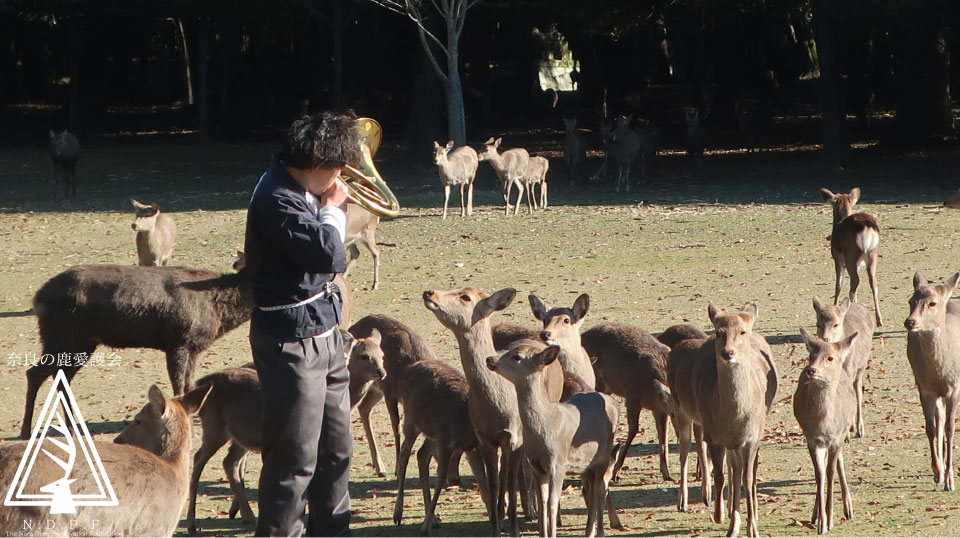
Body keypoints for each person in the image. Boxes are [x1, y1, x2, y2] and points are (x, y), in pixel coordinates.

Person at [243, 111, 358, 536]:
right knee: (294, 461)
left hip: (325, 333)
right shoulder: (277, 198)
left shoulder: (299, 185)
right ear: (317, 166)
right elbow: (330, 255)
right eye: (339, 167)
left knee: (336, 453)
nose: (342, 176)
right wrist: (334, 209)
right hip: (291, 342)